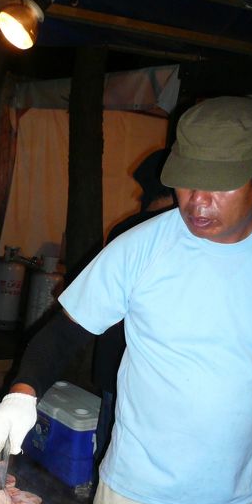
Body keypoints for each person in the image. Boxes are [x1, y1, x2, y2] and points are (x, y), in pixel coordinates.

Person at [0, 96, 252, 504]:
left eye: (219, 184)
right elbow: (63, 332)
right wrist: (22, 392)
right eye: (186, 182)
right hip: (133, 488)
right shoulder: (143, 247)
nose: (197, 202)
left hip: (227, 498)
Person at [92, 150, 175, 470]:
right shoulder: (153, 232)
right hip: (142, 369)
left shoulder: (128, 228)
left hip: (117, 362)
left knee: (109, 449)